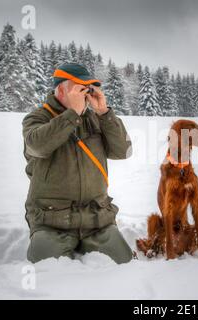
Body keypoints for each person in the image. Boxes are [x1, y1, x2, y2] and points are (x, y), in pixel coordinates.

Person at [22, 63, 133, 264]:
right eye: (80, 88)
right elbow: (37, 146)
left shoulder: (96, 119)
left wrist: (104, 113)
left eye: (89, 89)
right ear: (62, 90)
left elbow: (124, 151)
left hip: (97, 220)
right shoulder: (37, 118)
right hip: (51, 221)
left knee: (123, 264)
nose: (86, 94)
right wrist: (71, 115)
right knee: (46, 274)